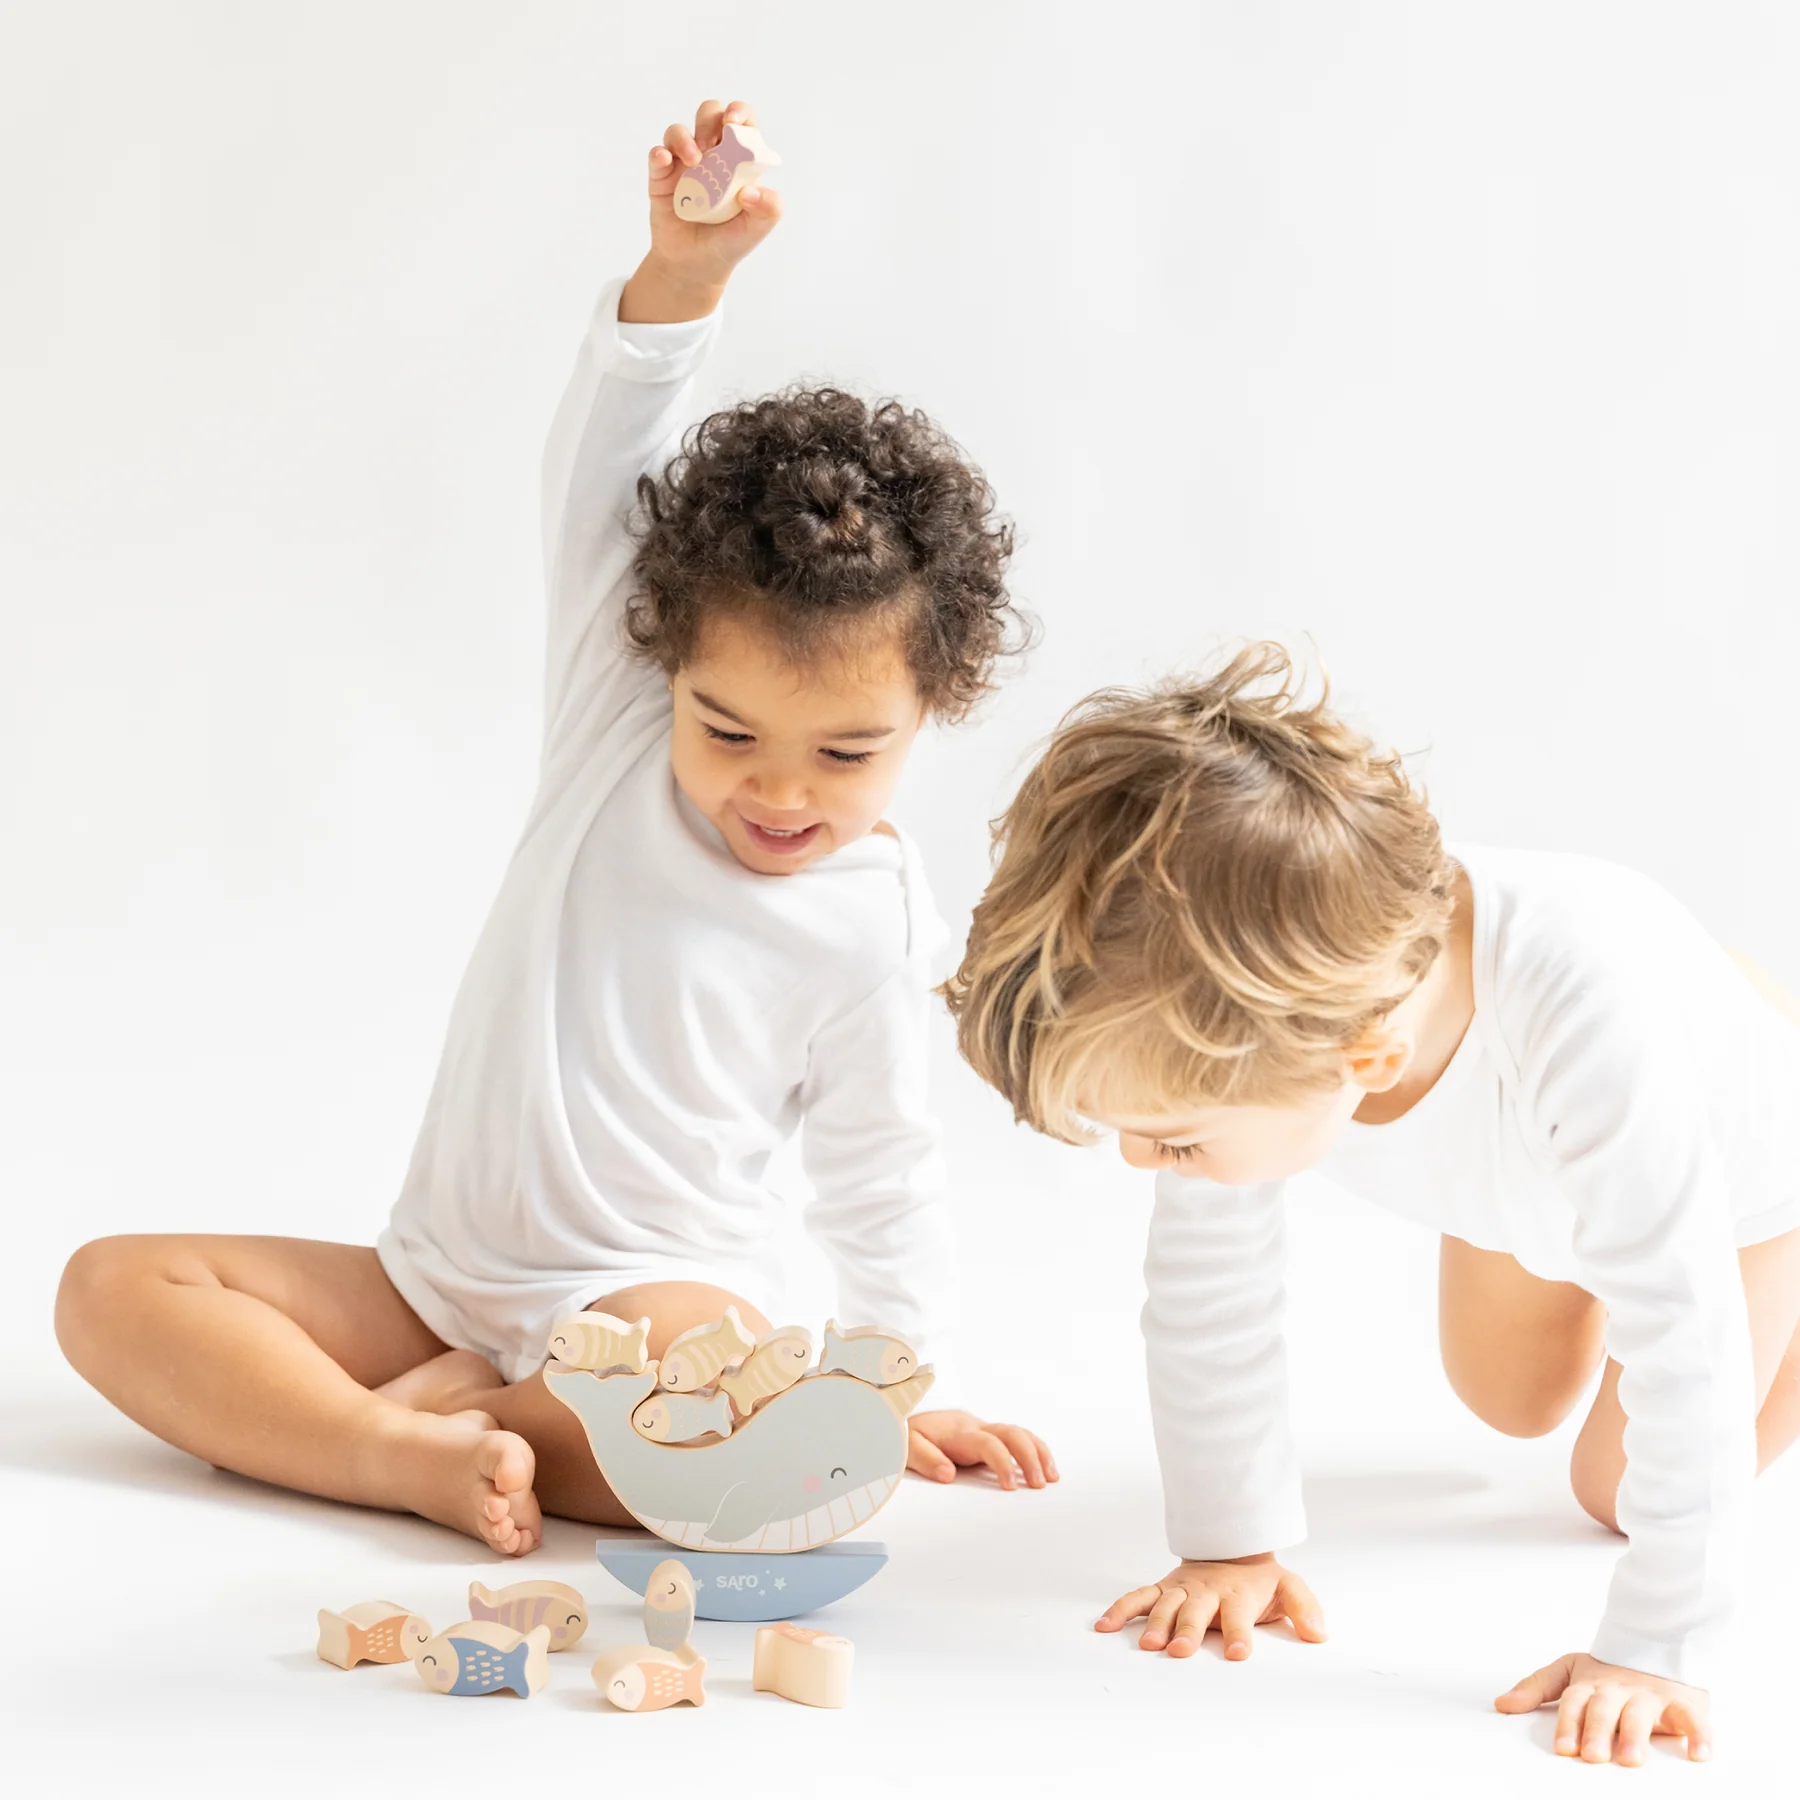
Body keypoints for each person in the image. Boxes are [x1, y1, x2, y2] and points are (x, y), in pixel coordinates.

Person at [56, 99, 1055, 1560]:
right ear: (663, 672)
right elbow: (606, 456)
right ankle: (394, 1442)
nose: (779, 793)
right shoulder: (613, 718)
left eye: (846, 754)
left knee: (797, 1475)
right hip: (433, 1285)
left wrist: (888, 1384)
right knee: (107, 1289)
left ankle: (443, 1422)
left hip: (654, 1306)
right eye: (729, 733)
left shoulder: (869, 916)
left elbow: (880, 1168)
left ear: (930, 715)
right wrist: (684, 282)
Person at [942, 640, 1800, 1766]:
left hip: (1733, 1169)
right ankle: (1607, 1187)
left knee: (1617, 1493)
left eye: (1172, 1140)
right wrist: (1230, 1547)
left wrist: (1653, 1644)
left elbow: (1685, 1333)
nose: (1144, 1164)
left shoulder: (1592, 1027)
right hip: (1533, 1166)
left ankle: (1751, 1026)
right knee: (1509, 1399)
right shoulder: (1254, 1022)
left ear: (1364, 1060)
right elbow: (1210, 1301)